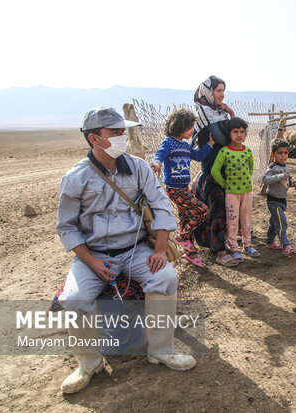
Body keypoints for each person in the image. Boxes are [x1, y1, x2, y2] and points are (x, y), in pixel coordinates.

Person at [56, 107, 196, 394]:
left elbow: (160, 205)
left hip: (134, 250)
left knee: (165, 278)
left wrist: (159, 250)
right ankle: (88, 364)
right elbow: (67, 228)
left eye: (123, 130)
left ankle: (161, 351)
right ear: (95, 139)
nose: (123, 137)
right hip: (93, 255)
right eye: (116, 132)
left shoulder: (139, 167)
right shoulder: (75, 178)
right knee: (74, 298)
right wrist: (93, 262)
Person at [151, 108, 214, 267]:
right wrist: (157, 163)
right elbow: (160, 153)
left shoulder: (185, 145)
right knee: (202, 211)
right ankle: (182, 237)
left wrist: (210, 144)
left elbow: (198, 156)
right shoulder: (169, 142)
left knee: (187, 218)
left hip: (184, 189)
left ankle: (191, 255)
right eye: (190, 127)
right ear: (180, 126)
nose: (192, 130)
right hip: (174, 189)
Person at [191, 76, 239, 267]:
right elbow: (221, 138)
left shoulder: (220, 113)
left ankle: (220, 243)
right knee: (218, 211)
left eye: (223, 90)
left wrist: (232, 115)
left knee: (225, 211)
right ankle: (219, 252)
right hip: (211, 173)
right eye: (218, 90)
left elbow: (235, 137)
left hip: (224, 171)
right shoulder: (203, 113)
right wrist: (230, 123)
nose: (222, 94)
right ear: (208, 92)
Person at [210, 117, 259, 262]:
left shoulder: (247, 151)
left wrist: (246, 180)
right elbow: (215, 171)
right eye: (235, 132)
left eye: (242, 132)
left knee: (246, 219)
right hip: (231, 193)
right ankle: (233, 248)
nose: (239, 135)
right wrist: (225, 185)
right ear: (229, 133)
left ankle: (247, 246)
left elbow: (250, 168)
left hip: (247, 192)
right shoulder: (224, 152)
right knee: (232, 220)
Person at [261, 139, 296, 254]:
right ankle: (285, 245)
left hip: (283, 200)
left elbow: (288, 180)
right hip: (273, 201)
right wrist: (280, 176)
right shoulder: (272, 168)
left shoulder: (286, 167)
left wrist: (293, 184)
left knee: (274, 222)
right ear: (273, 154)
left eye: (285, 153)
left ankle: (270, 241)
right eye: (280, 153)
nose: (283, 156)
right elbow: (265, 179)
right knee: (282, 222)